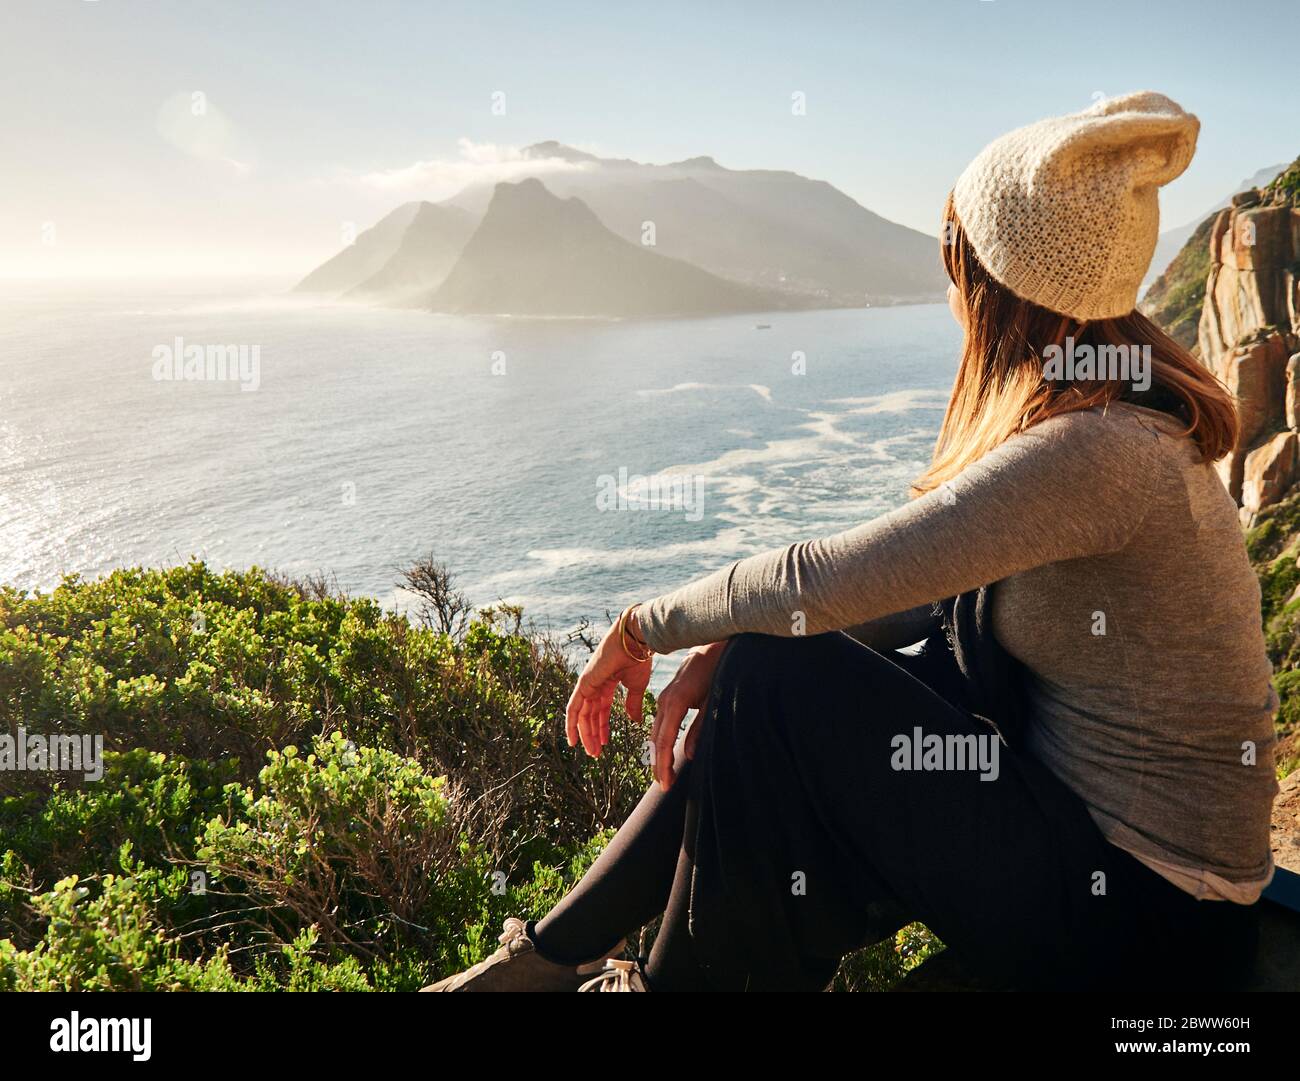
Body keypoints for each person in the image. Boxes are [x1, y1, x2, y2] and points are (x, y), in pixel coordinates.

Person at [425, 91, 1278, 992]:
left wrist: (644, 627)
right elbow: (913, 599)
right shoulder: (1093, 419)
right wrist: (745, 638)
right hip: (1085, 852)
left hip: (1153, 918)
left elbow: (822, 579)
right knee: (764, 665)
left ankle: (579, 973)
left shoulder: (1099, 452)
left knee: (774, 675)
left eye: (956, 258)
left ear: (993, 284)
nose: (950, 288)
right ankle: (546, 962)